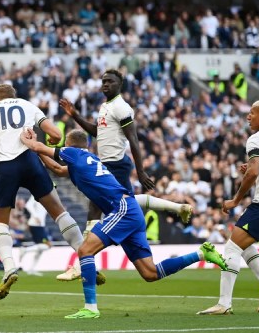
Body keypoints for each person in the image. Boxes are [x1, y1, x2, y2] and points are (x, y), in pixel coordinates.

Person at [19, 128, 227, 319]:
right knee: (150, 273)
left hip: (122, 210)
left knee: (84, 251)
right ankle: (202, 254)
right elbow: (56, 168)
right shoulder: (86, 160)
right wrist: (39, 152)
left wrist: (28, 141)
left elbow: (40, 148)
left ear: (70, 145)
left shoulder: (74, 154)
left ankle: (90, 308)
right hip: (130, 211)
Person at [58, 69, 193, 281]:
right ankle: (177, 208)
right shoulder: (106, 107)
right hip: (107, 163)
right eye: (103, 81)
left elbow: (134, 139)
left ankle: (81, 261)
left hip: (117, 164)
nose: (105, 85)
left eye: (110, 81)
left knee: (97, 206)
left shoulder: (122, 107)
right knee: (126, 204)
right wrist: (75, 115)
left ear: (120, 85)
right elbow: (97, 132)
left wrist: (140, 171)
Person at [0, 84, 96, 300]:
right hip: (30, 160)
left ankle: (9, 268)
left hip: (5, 166)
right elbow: (56, 134)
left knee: (0, 222)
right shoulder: (27, 104)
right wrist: (47, 143)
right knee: (59, 211)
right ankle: (84, 259)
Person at [198, 99, 259, 315]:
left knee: (232, 248)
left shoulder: (257, 138)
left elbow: (252, 173)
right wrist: (257, 169)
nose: (248, 117)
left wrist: (235, 200)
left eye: (252, 113)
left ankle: (224, 303)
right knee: (240, 242)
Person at [19, 196, 51, 276]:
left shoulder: (46, 194)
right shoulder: (36, 193)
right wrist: (36, 216)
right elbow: (28, 205)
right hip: (35, 223)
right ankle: (25, 250)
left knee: (40, 249)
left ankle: (31, 269)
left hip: (40, 224)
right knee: (47, 246)